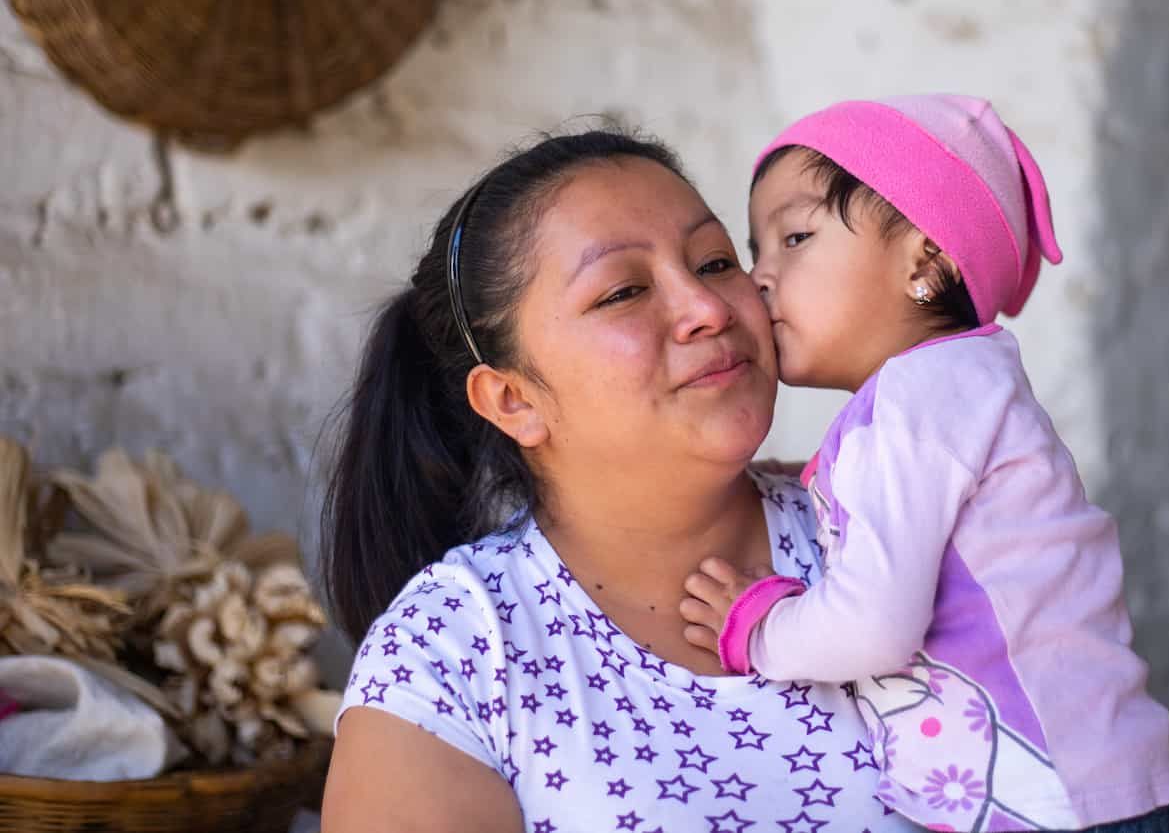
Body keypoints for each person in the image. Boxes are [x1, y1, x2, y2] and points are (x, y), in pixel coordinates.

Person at [318, 129, 919, 832]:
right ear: (513, 400)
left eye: (717, 261)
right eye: (625, 291)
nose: (710, 308)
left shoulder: (889, 527)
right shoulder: (454, 652)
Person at [678, 96, 1169, 832]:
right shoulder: (952, 389)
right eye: (757, 252)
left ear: (927, 262)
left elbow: (873, 630)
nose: (761, 278)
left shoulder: (916, 401)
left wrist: (757, 624)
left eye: (795, 237)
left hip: (1050, 805)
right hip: (1085, 791)